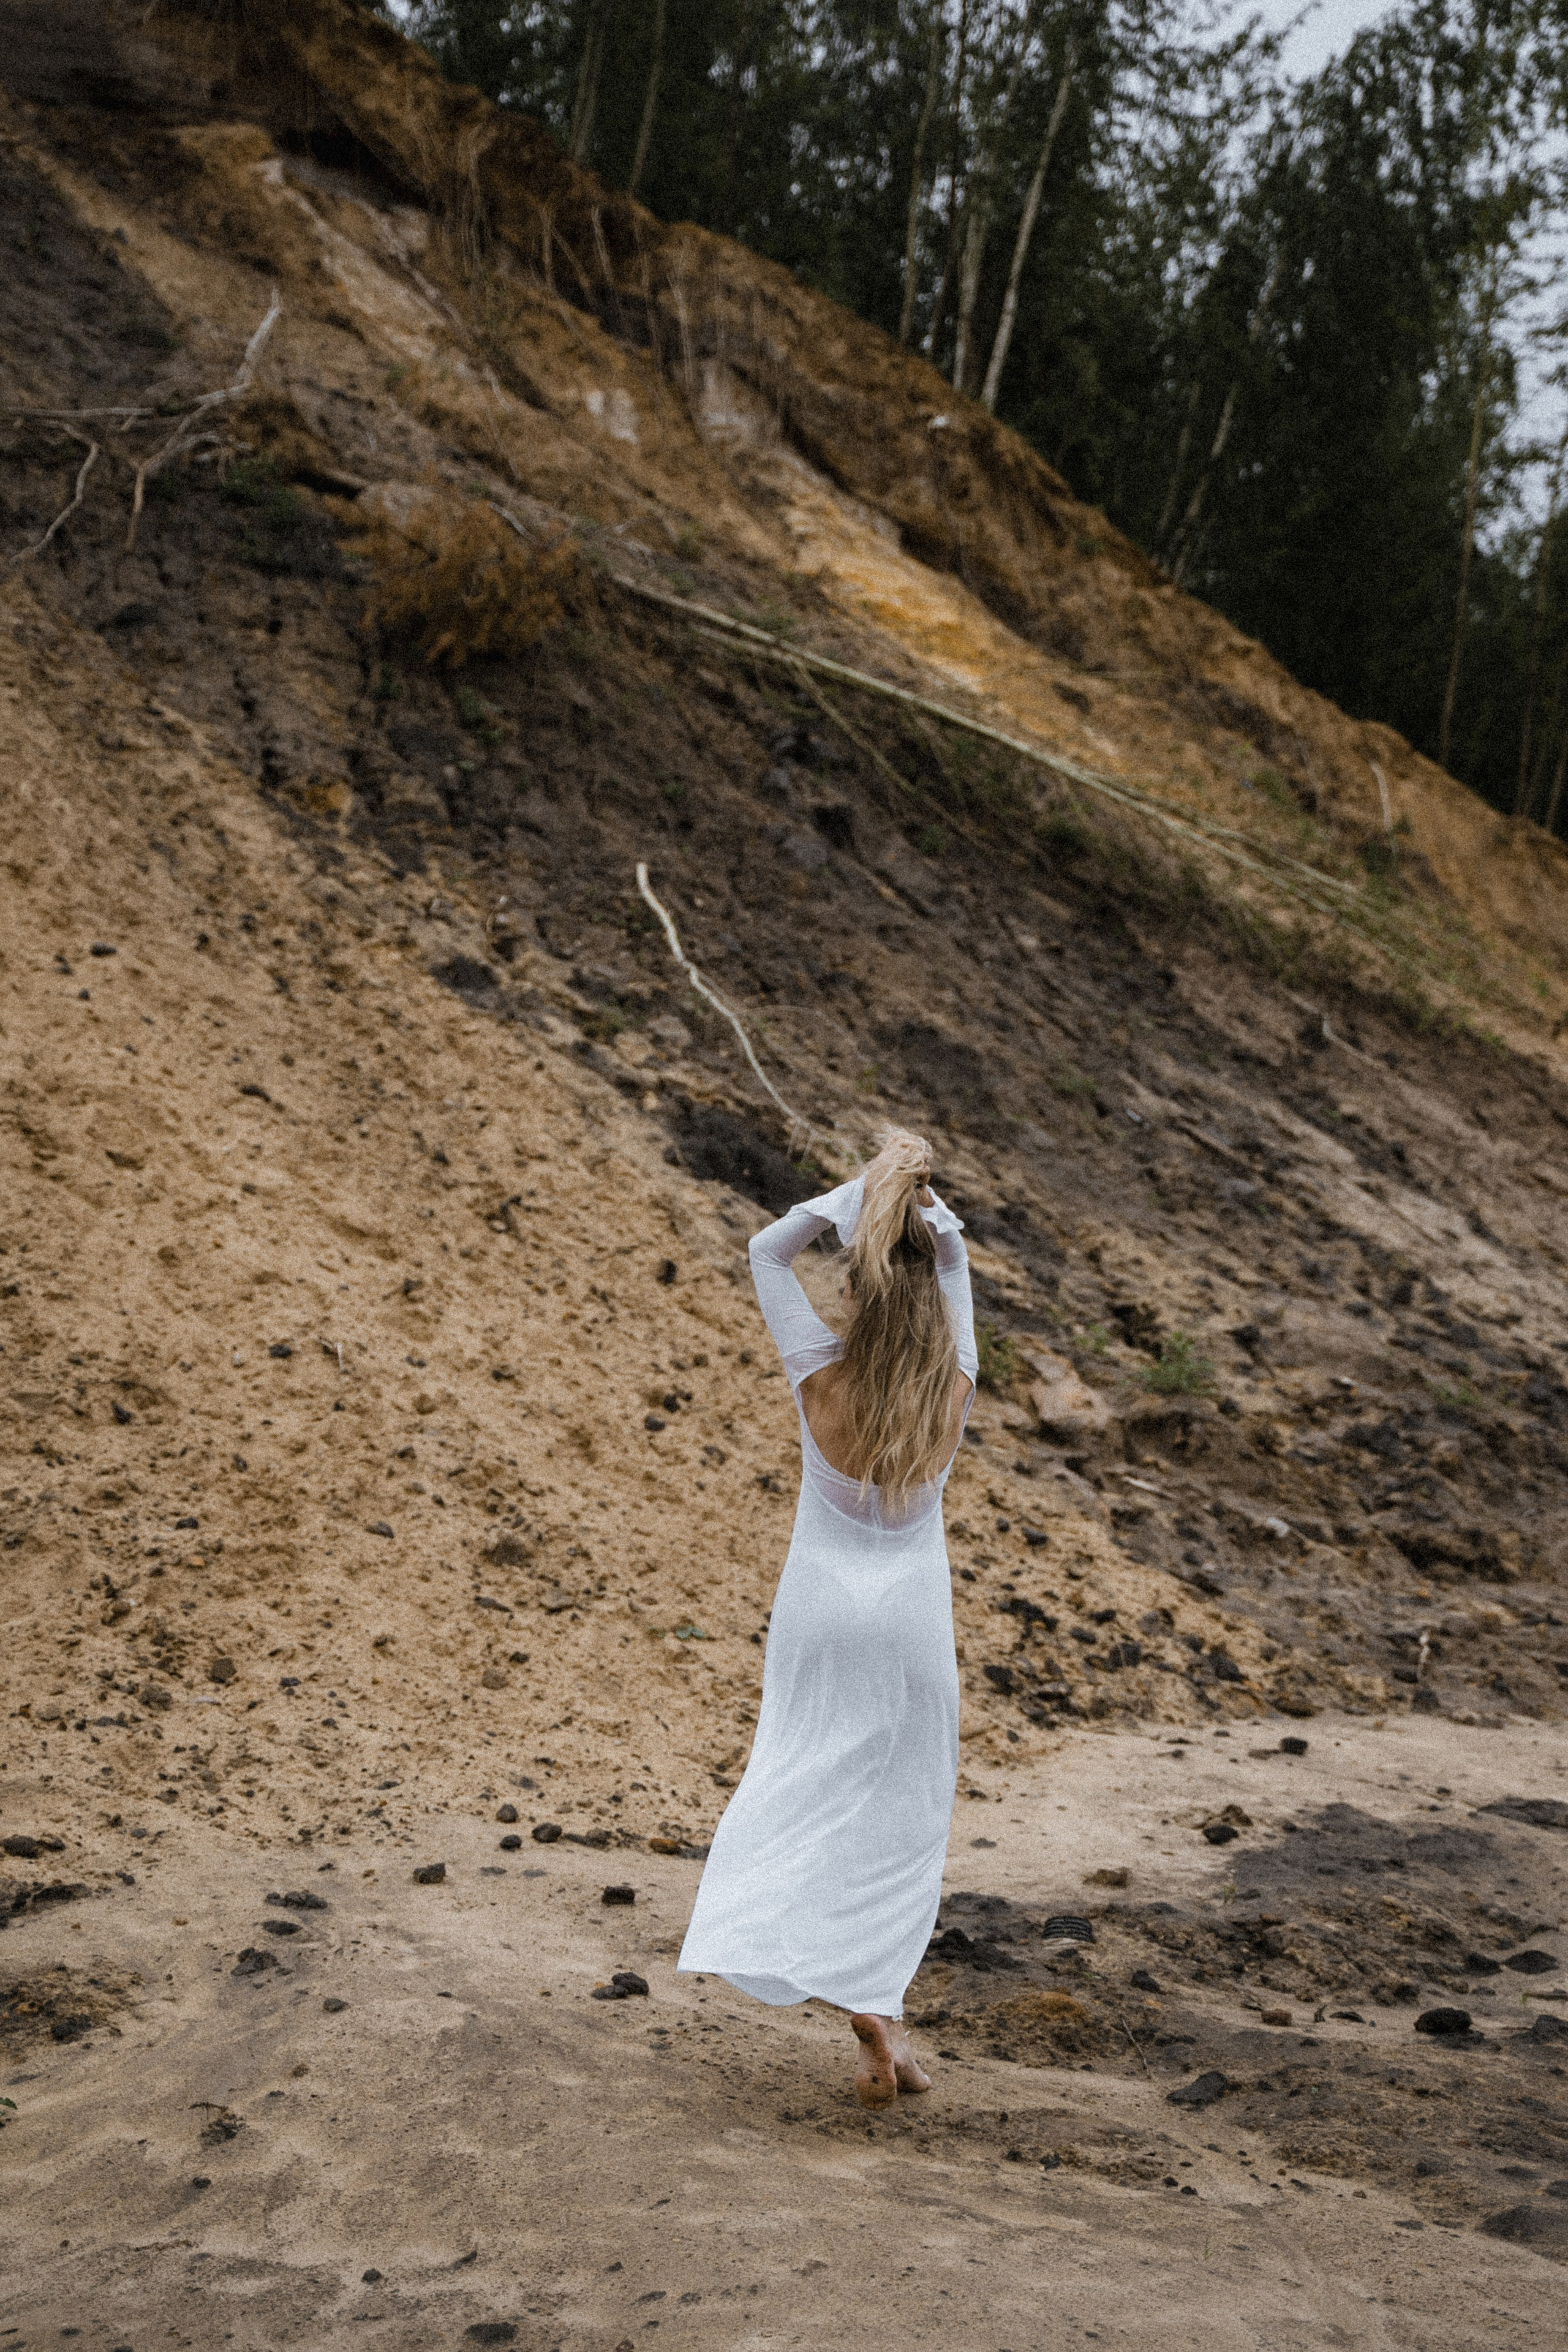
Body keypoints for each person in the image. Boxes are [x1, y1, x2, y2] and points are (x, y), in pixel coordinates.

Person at [677, 1128, 978, 2108]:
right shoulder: (953, 1384)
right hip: (913, 1626)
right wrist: (930, 1225)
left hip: (818, 1611)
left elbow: (765, 1250)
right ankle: (880, 2016)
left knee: (797, 1776)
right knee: (902, 1818)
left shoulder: (820, 1373)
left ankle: (862, 2011)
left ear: (856, 1287)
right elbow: (953, 1261)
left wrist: (857, 1194)